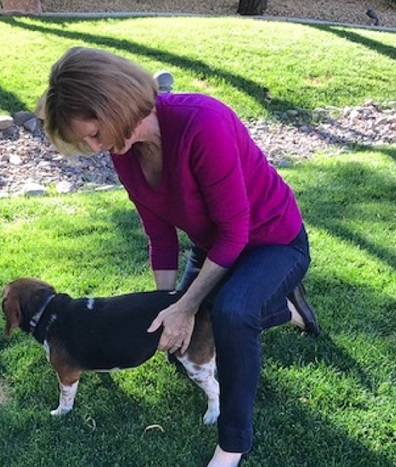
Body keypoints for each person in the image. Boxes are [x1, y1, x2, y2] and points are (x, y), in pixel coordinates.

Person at [43, 46, 319, 467]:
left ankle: (233, 445)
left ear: (116, 105)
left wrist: (186, 307)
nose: (95, 147)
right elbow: (160, 233)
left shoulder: (202, 123)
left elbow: (235, 231)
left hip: (273, 242)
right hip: (215, 248)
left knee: (229, 314)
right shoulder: (125, 152)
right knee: (183, 339)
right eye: (85, 142)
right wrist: (164, 309)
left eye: (95, 134)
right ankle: (285, 309)